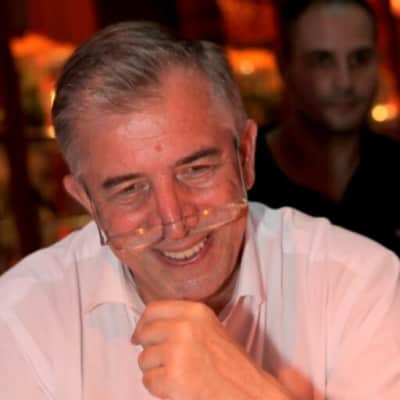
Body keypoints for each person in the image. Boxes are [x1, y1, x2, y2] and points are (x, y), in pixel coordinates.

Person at [0, 21, 399, 400]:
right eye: (130, 189)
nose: (174, 223)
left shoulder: (358, 284)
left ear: (246, 156)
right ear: (87, 201)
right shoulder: (23, 318)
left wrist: (239, 389)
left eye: (196, 170)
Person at [248, 0, 400, 256]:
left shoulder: (394, 168)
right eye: (322, 60)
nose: (345, 82)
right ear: (284, 65)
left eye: (360, 59)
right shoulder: (244, 178)